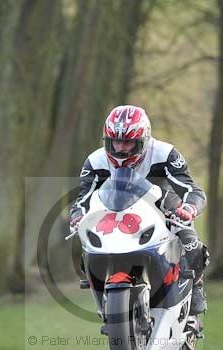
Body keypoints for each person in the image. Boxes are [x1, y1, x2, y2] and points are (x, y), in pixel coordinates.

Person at [69, 105, 209, 315]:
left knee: (190, 241)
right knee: (85, 241)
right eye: (115, 141)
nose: (121, 148)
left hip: (162, 208)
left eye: (128, 142)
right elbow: (83, 198)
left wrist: (188, 208)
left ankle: (195, 285)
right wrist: (78, 215)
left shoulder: (166, 153)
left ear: (144, 139)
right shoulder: (94, 161)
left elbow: (192, 189)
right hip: (115, 213)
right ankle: (102, 294)